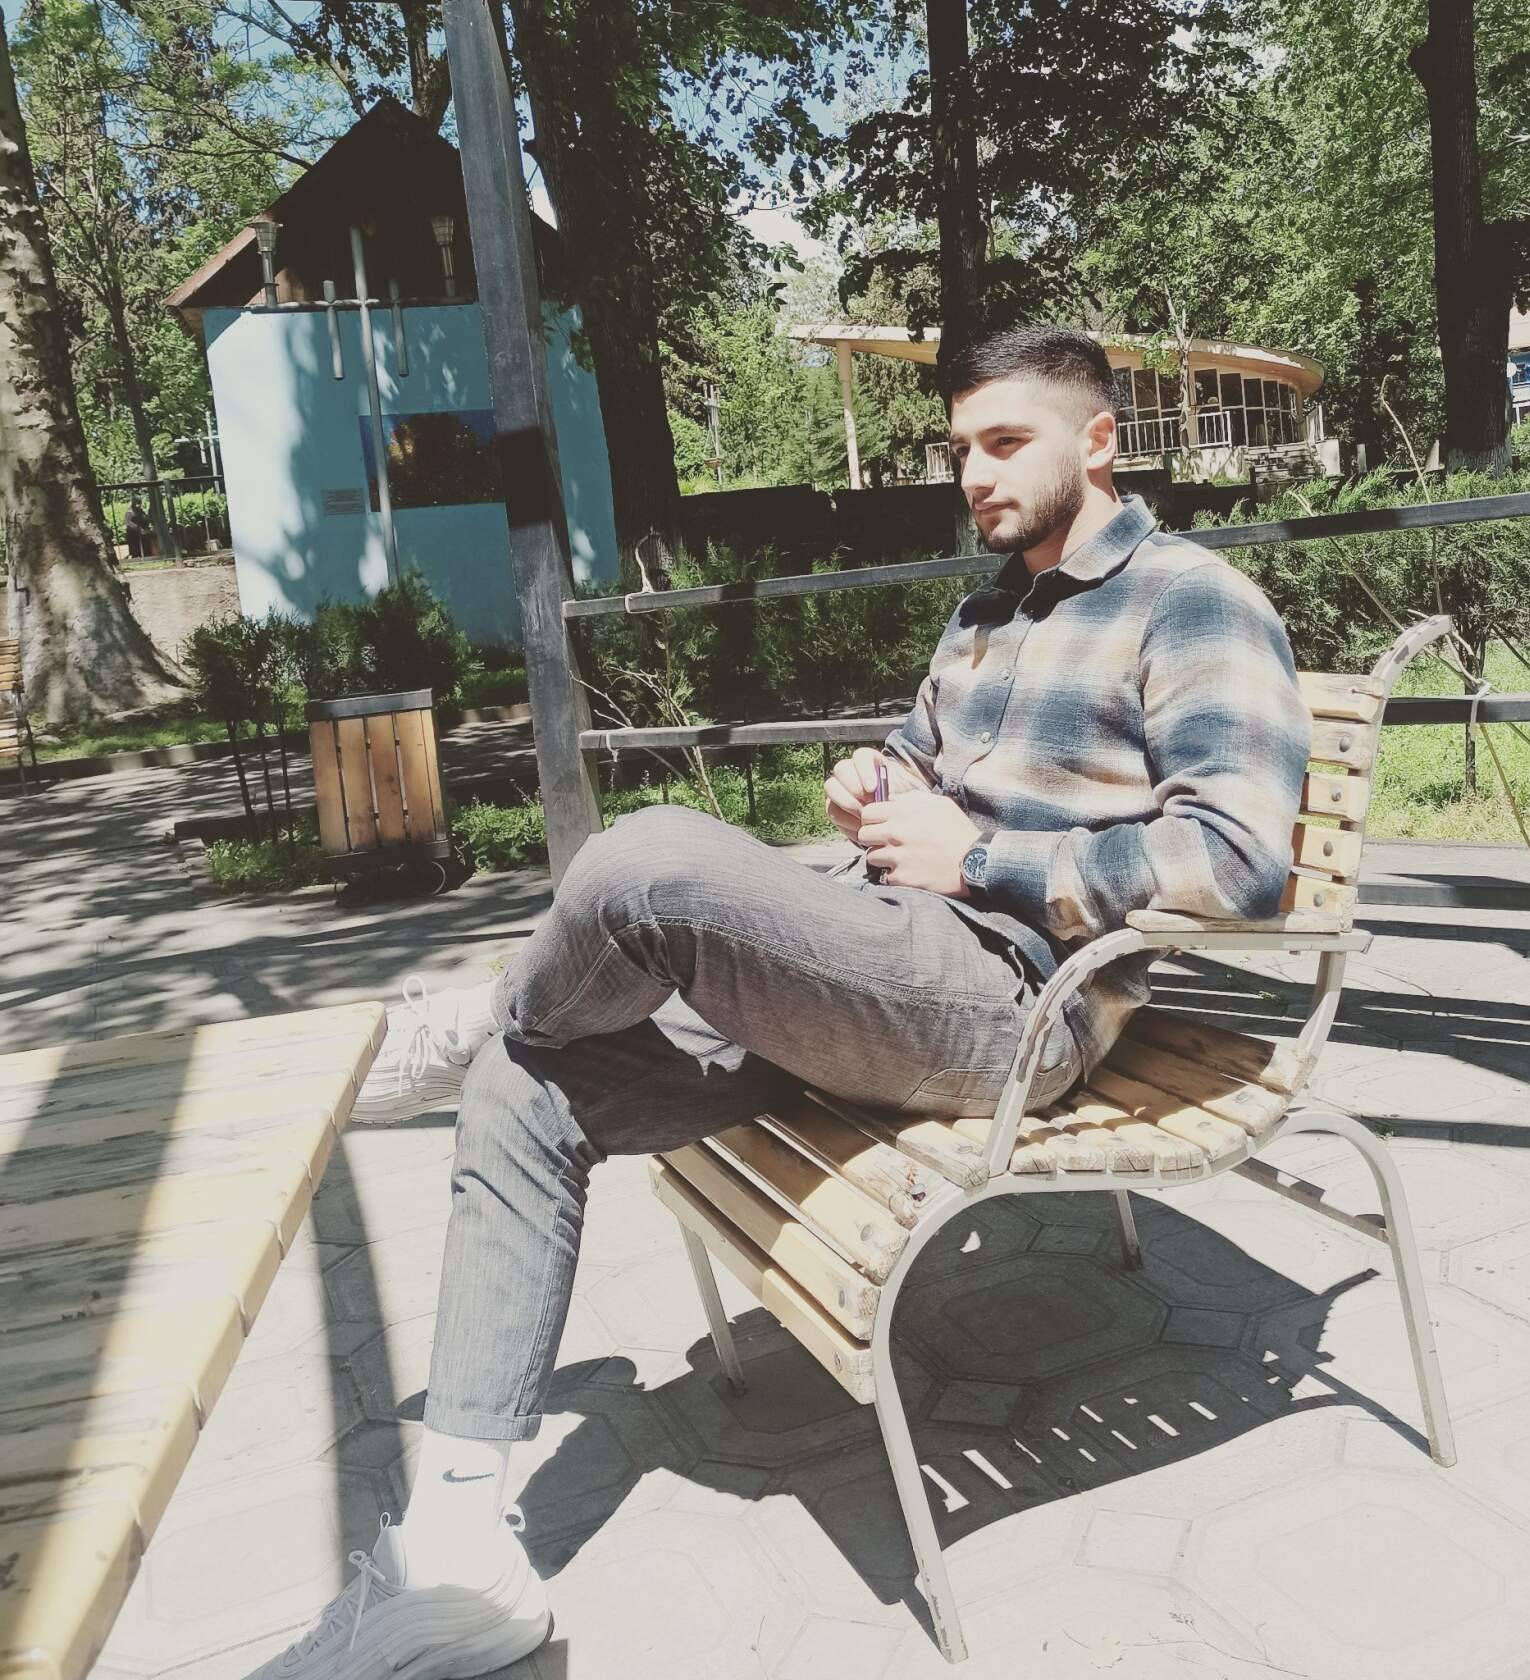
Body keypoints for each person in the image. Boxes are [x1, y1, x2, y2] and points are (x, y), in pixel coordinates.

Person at [263, 326, 1312, 1678]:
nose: (975, 475)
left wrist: (980, 859)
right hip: (875, 966)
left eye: (1005, 443)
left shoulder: (1194, 604)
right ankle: (460, 1555)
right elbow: (921, 757)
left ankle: (481, 1017)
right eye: (961, 449)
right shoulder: (989, 610)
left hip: (1012, 1006)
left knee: (643, 860)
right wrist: (875, 782)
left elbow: (1241, 863)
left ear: (1099, 441)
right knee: (530, 1087)